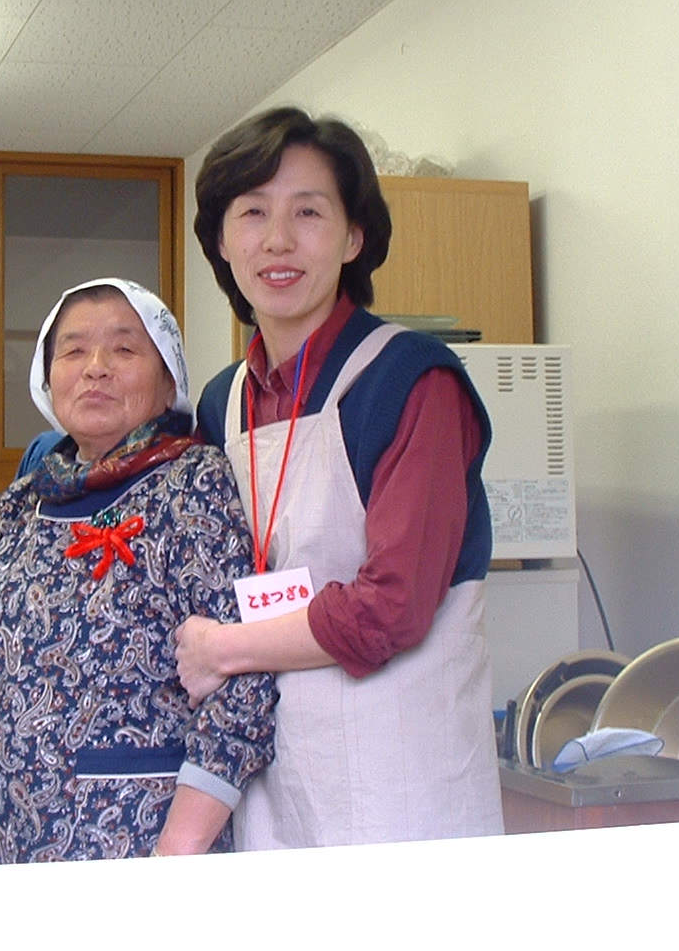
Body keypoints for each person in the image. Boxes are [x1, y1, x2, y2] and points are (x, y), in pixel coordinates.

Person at [0, 278, 275, 862]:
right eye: (74, 350)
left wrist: (173, 859)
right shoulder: (19, 506)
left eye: (125, 349)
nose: (96, 367)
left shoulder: (194, 486)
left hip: (142, 859)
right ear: (49, 377)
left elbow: (243, 685)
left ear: (170, 383)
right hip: (2, 852)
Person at [173, 107, 504, 849]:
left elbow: (394, 607)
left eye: (308, 212)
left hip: (401, 789)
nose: (277, 240)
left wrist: (227, 648)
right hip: (269, 785)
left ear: (353, 237)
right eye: (252, 213)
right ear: (221, 241)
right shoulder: (222, 405)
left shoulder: (411, 381)